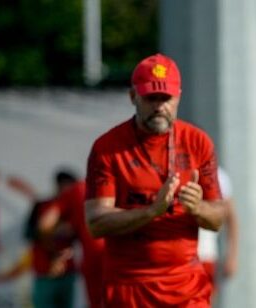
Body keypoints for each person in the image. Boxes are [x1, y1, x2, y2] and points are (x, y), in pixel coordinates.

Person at [84, 53, 225, 307]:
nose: (159, 106)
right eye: (151, 98)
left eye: (166, 98)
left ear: (178, 96)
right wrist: (151, 211)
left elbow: (218, 219)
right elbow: (96, 223)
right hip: (129, 288)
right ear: (132, 97)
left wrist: (197, 207)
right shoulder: (107, 148)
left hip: (186, 287)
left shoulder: (198, 142)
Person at [40, 180, 106, 308]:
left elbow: (44, 225)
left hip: (94, 262)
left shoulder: (77, 190)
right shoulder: (130, 184)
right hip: (132, 263)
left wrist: (55, 255)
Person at [23, 169, 78, 308]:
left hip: (67, 272)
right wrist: (52, 232)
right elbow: (29, 233)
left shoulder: (76, 209)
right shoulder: (41, 206)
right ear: (60, 186)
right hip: (45, 272)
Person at [198, 167, 238, 298]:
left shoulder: (218, 175)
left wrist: (232, 256)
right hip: (175, 258)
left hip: (205, 256)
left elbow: (231, 219)